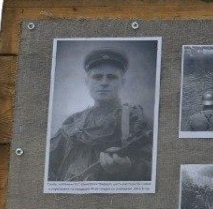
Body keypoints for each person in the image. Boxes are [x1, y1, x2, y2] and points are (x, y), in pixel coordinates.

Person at [46, 49, 153, 182]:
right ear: (87, 81)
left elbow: (155, 170)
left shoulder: (135, 118)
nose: (104, 82)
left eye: (112, 77)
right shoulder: (73, 122)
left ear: (122, 82)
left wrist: (129, 167)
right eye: (97, 77)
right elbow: (47, 164)